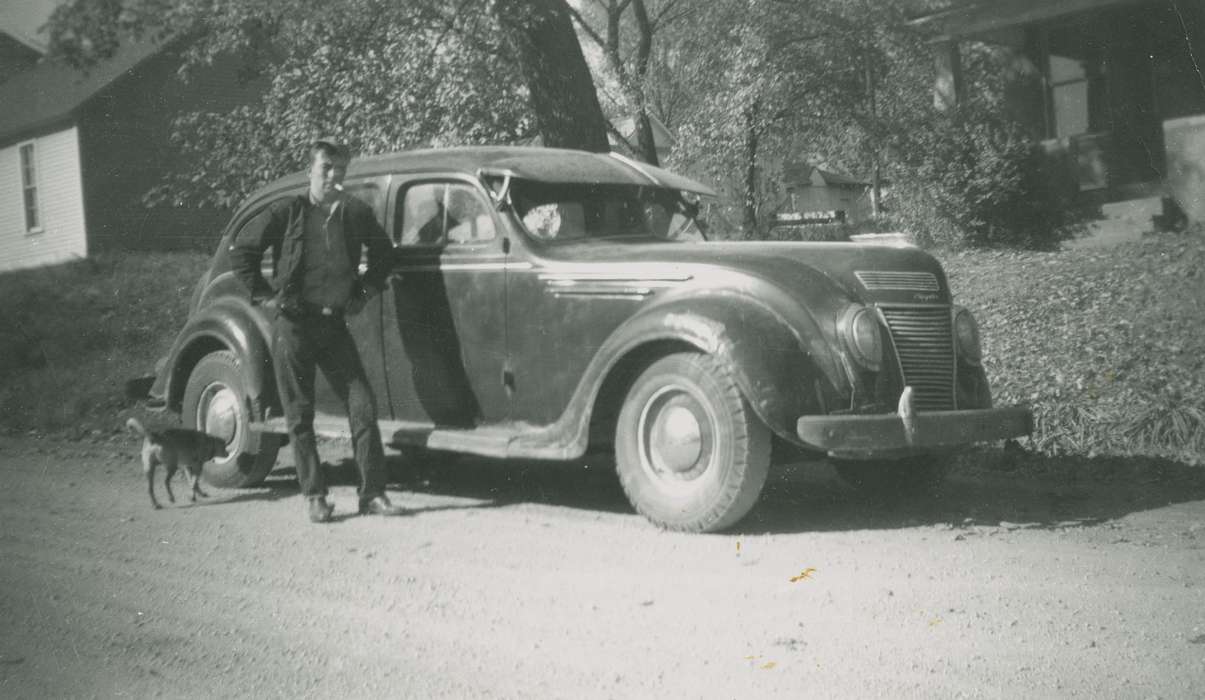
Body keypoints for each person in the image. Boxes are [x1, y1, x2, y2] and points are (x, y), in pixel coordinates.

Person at [229, 138, 403, 523]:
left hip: (333, 325)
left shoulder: (355, 213)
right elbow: (242, 255)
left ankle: (372, 494)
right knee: (299, 413)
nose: (333, 176)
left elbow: (384, 253)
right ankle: (315, 496)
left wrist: (365, 290)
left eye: (340, 170)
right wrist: (266, 296)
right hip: (293, 326)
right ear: (310, 170)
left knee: (362, 405)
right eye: (326, 168)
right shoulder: (288, 211)